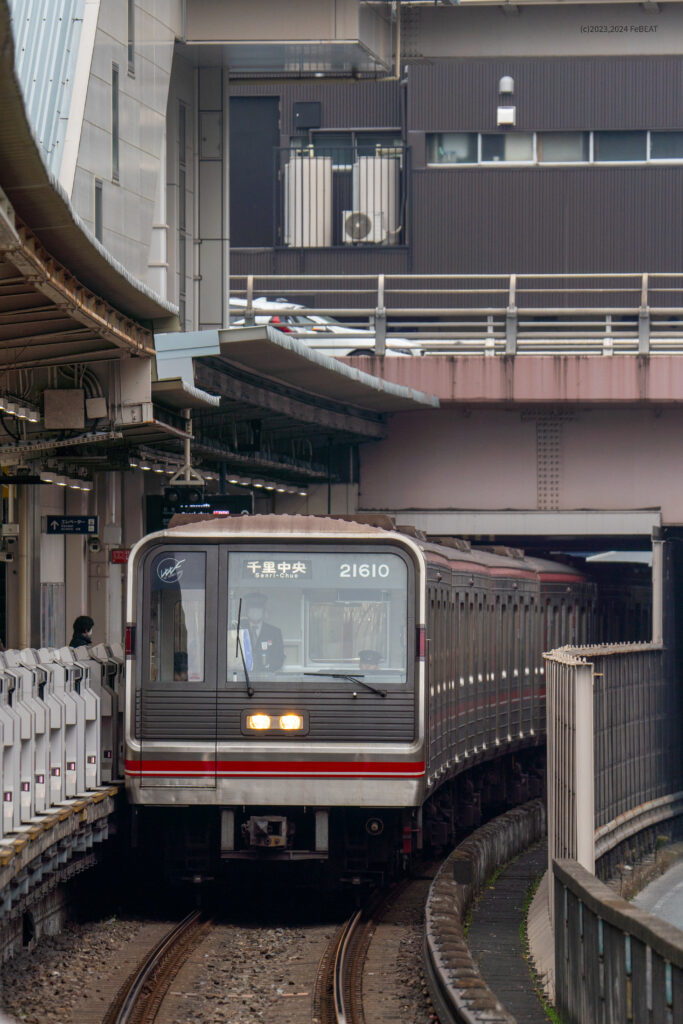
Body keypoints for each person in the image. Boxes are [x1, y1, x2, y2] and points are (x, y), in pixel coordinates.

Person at [244, 592, 284, 671]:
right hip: (243, 677)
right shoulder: (240, 630)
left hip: (266, 677)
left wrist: (267, 669)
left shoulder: (274, 632)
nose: (255, 611)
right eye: (252, 608)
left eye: (258, 608)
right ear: (247, 611)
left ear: (263, 611)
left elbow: (279, 658)